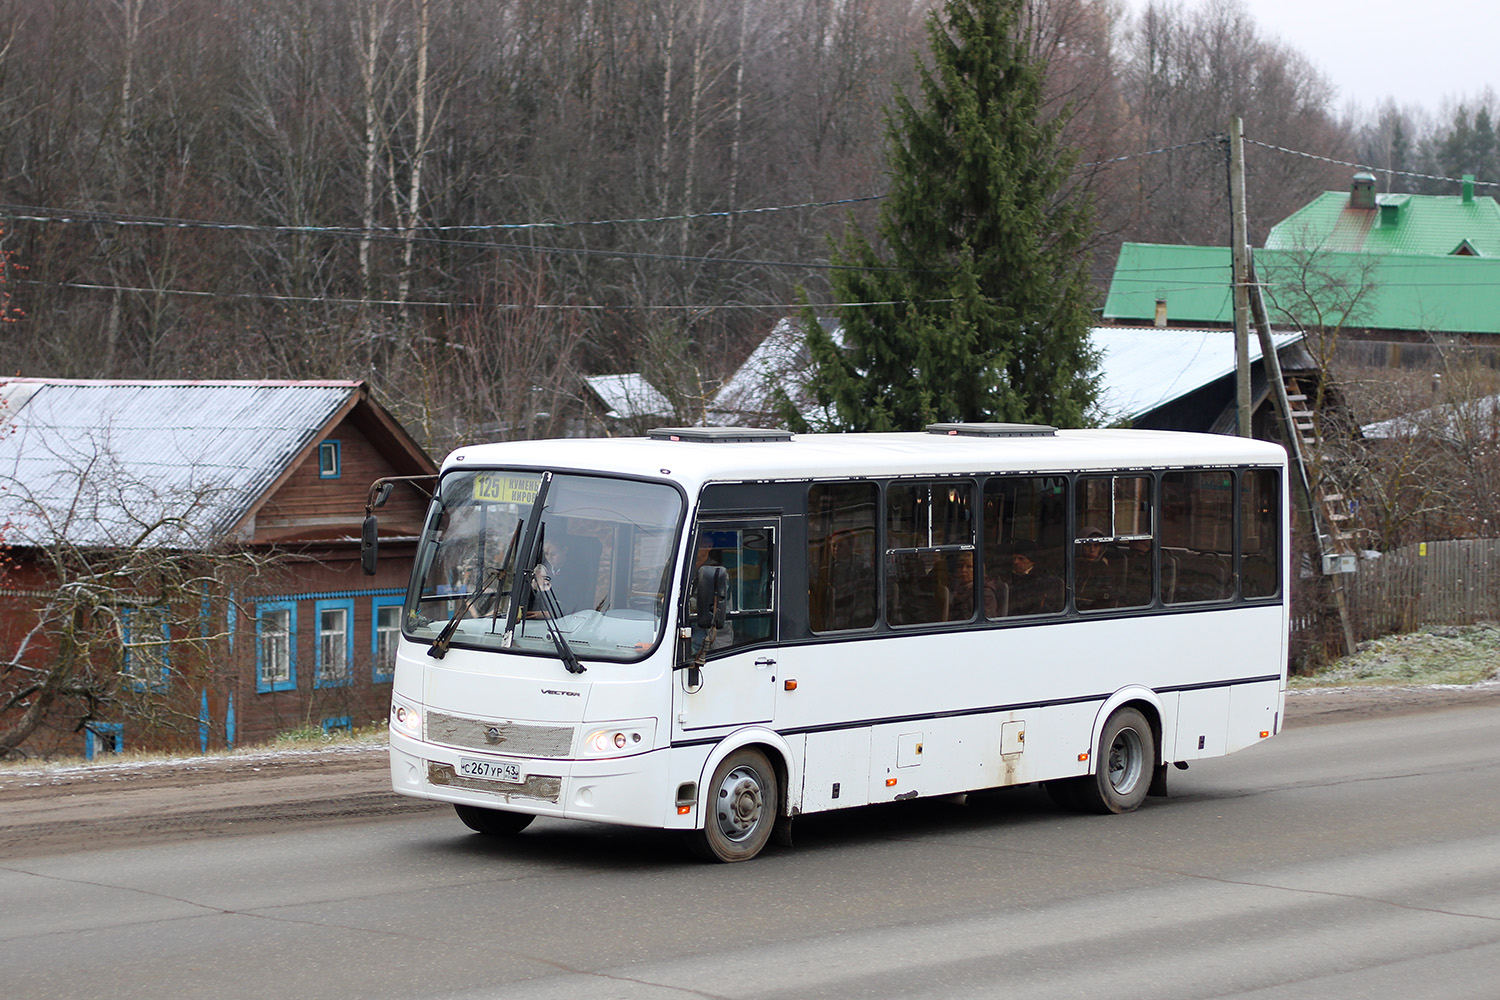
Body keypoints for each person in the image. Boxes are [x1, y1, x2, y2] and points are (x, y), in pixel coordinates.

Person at [1074, 527, 1116, 611]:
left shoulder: (1104, 570)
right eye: (1087, 545)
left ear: (1101, 548)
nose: (1092, 550)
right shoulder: (1071, 565)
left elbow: (1107, 599)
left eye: (1096, 545)